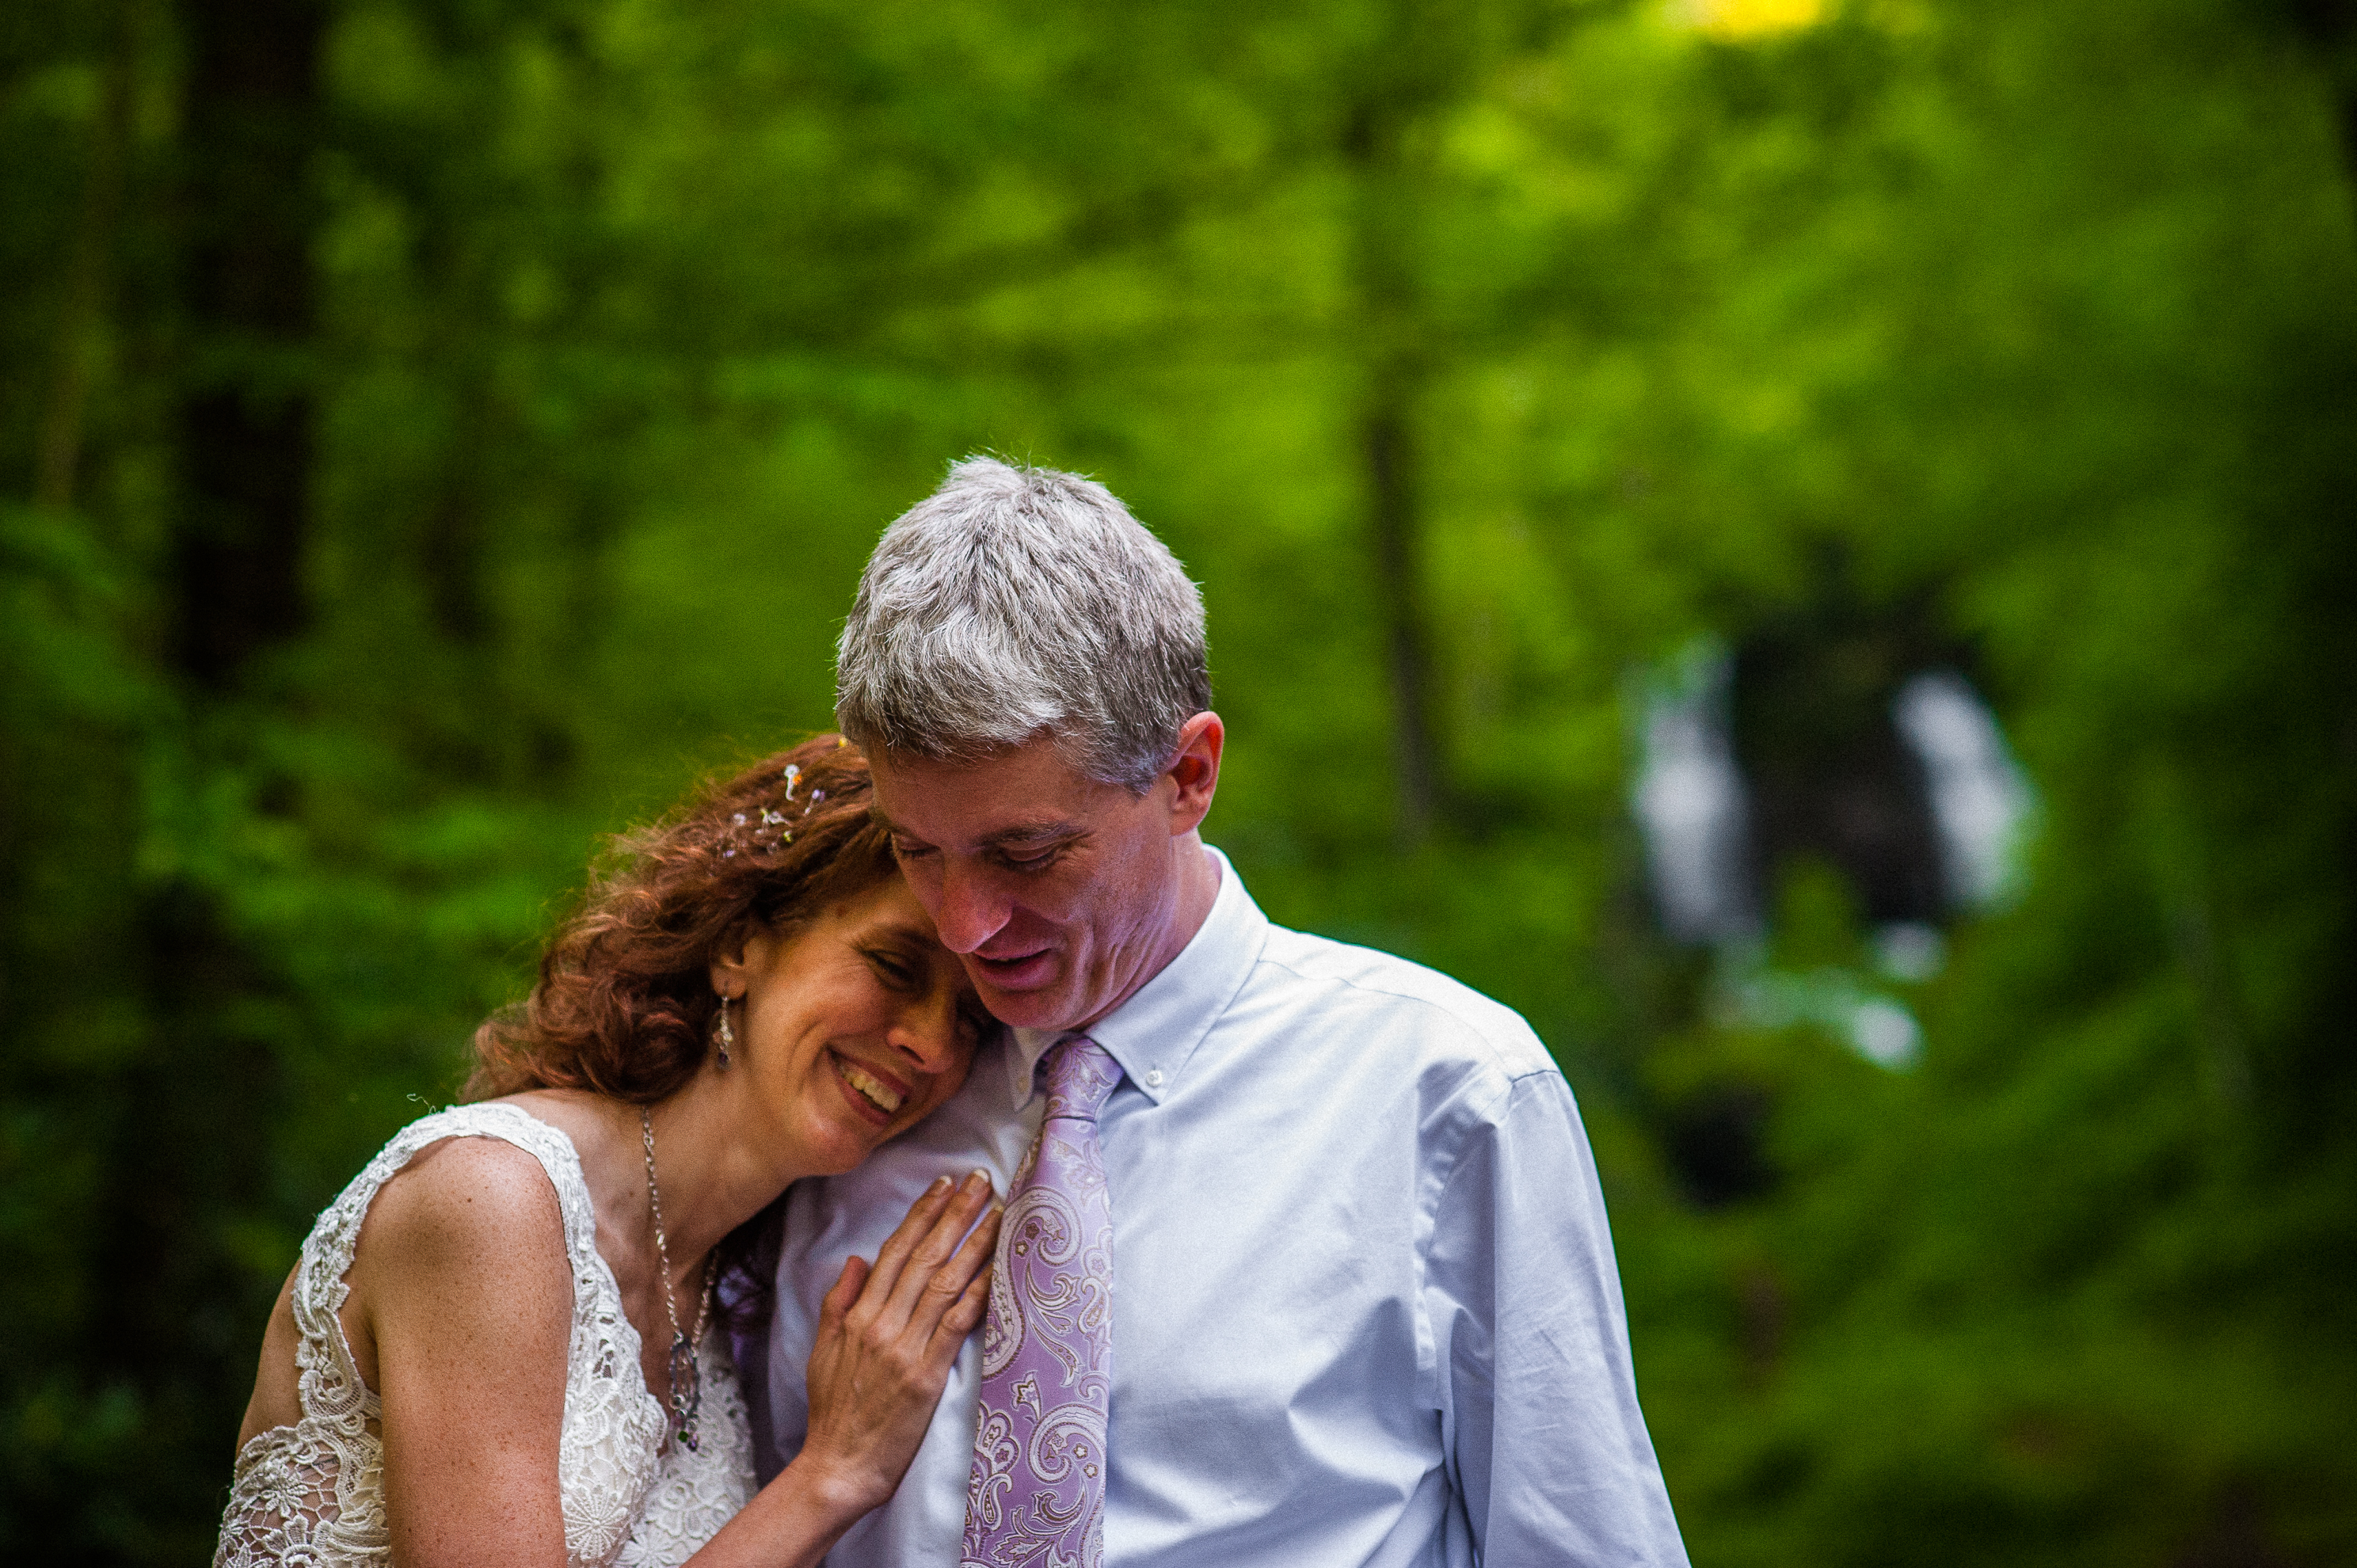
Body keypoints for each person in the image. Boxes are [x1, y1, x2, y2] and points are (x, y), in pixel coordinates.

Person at [746, 459, 1690, 1566]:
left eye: (1026, 855)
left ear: (1189, 774)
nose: (963, 926)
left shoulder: (1448, 1093)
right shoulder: (855, 1106)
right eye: (919, 853)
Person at [215, 735, 1007, 1568]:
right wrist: (832, 1477)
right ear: (739, 947)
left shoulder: (722, 1299)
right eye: (893, 964)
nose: (930, 1042)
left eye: (971, 1019)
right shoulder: (490, 1198)